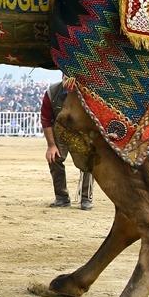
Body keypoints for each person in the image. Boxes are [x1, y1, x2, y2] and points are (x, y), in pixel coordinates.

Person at [41, 80, 94, 210]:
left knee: (90, 161)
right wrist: (51, 146)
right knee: (54, 158)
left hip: (83, 132)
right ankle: (62, 198)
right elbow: (46, 120)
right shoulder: (52, 92)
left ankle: (86, 199)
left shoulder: (89, 90)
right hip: (60, 131)